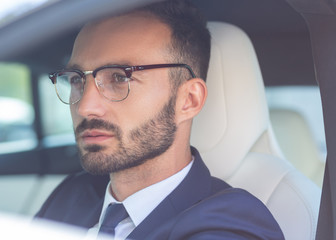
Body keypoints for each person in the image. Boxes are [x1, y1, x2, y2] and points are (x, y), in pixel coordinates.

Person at [36, 0, 284, 239]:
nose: (85, 107)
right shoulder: (72, 193)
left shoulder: (232, 223)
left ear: (188, 100)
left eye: (120, 78)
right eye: (77, 80)